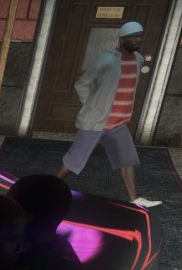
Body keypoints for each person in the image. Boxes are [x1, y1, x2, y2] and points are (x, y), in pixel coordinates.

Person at [56, 21, 162, 209]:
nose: (138, 40)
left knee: (127, 159)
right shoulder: (106, 59)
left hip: (118, 123)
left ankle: (134, 199)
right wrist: (91, 105)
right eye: (134, 37)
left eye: (140, 36)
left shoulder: (138, 59)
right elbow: (82, 84)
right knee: (73, 162)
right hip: (96, 122)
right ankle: (47, 189)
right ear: (122, 39)